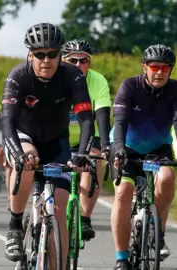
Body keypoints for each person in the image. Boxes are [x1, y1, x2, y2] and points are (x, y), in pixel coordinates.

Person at [2, 22, 94, 270]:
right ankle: (15, 226)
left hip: (57, 142)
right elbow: (7, 121)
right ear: (30, 54)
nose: (46, 60)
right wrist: (18, 155)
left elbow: (86, 118)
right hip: (24, 136)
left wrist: (83, 154)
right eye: (39, 54)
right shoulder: (18, 76)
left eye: (52, 54)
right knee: (28, 163)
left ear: (60, 55)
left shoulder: (72, 75)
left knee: (60, 209)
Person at [110, 44, 177, 269]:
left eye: (165, 68)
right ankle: (121, 257)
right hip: (127, 146)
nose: (160, 72)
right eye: (155, 67)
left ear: (170, 70)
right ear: (145, 67)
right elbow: (120, 122)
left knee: (166, 179)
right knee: (123, 193)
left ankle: (156, 227)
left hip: (158, 148)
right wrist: (118, 149)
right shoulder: (130, 86)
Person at [61, 39, 112, 241]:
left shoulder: (97, 80)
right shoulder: (55, 79)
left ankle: (85, 218)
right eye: (73, 60)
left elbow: (102, 117)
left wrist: (107, 145)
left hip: (88, 135)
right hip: (60, 135)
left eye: (83, 60)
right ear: (63, 61)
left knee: (93, 160)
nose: (78, 65)